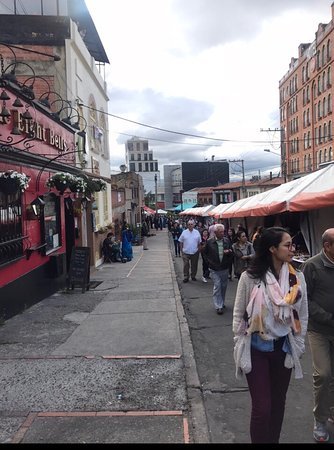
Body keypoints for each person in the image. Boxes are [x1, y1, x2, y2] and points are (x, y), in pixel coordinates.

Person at [232, 227, 308, 444]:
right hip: (255, 349)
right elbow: (239, 314)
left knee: (278, 404)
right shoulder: (250, 277)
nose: (292, 249)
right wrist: (238, 343)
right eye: (287, 245)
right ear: (273, 249)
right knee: (262, 408)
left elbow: (302, 315)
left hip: (283, 349)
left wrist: (299, 347)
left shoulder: (297, 277)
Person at [302, 228, 334, 443]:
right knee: (323, 375)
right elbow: (305, 300)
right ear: (327, 246)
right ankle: (320, 420)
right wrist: (328, 318)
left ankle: (330, 409)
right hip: (319, 330)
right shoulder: (311, 266)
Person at [202, 223, 233, 314]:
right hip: (214, 268)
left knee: (223, 286)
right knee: (217, 286)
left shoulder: (227, 241)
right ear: (215, 232)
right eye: (220, 232)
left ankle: (222, 302)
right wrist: (209, 262)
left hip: (224, 267)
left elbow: (232, 253)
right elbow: (205, 253)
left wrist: (229, 253)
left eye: (223, 231)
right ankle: (218, 305)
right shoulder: (209, 242)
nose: (222, 233)